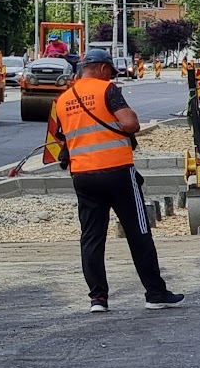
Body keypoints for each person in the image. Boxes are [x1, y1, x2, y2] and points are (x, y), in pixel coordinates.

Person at [53, 48, 183, 313]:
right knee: (139, 232)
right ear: (102, 69)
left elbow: (59, 136)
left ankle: (98, 299)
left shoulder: (63, 99)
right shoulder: (107, 89)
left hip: (83, 177)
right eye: (109, 71)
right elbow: (130, 123)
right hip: (118, 173)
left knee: (91, 238)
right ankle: (155, 293)